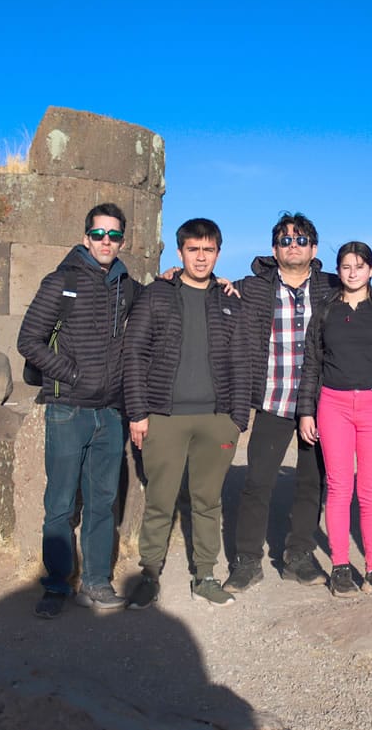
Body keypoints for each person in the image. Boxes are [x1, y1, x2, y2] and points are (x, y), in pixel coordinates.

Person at [223, 214, 372, 593]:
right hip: (273, 399)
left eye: (301, 240)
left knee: (312, 483)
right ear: (274, 249)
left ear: (314, 248)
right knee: (258, 482)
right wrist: (174, 275)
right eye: (286, 240)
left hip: (319, 404)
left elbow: (364, 289)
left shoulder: (329, 285)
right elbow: (210, 287)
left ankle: (298, 556)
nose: (294, 245)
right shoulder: (253, 287)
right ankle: (248, 561)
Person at [17, 202, 136, 619]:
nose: (106, 241)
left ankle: (97, 582)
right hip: (67, 409)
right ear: (86, 238)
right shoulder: (61, 281)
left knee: (103, 502)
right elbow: (28, 340)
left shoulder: (127, 287)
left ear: (122, 241)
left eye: (114, 235)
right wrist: (71, 374)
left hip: (110, 413)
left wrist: (179, 278)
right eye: (99, 234)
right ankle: (56, 584)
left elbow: (157, 310)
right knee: (61, 503)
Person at [123, 218, 244, 608]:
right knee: (160, 500)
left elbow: (242, 360)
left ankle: (205, 575)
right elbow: (135, 353)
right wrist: (138, 412)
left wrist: (237, 419)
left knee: (208, 501)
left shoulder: (229, 299)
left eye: (208, 250)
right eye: (193, 249)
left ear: (218, 253)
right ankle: (149, 575)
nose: (201, 257)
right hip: (164, 417)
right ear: (180, 252)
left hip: (217, 419)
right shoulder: (156, 295)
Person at [295, 242, 372, 598]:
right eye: (346, 266)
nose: (352, 273)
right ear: (339, 270)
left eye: (359, 266)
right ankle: (340, 567)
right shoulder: (324, 312)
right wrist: (306, 411)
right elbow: (312, 364)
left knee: (371, 492)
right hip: (332, 404)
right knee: (338, 487)